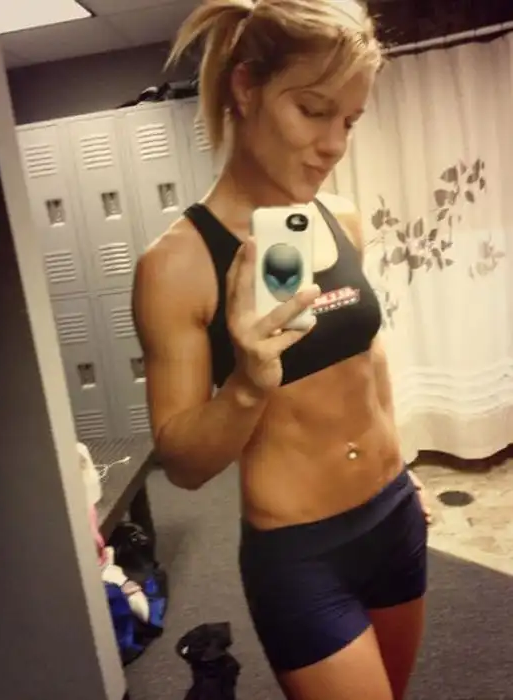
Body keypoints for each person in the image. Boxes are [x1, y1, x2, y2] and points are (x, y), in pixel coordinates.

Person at [133, 1, 430, 698]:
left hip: (393, 516)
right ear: (246, 87)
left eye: (349, 121)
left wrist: (401, 465)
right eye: (313, 110)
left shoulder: (342, 219)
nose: (334, 144)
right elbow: (183, 466)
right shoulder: (176, 265)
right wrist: (246, 384)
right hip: (302, 555)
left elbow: (368, 360)